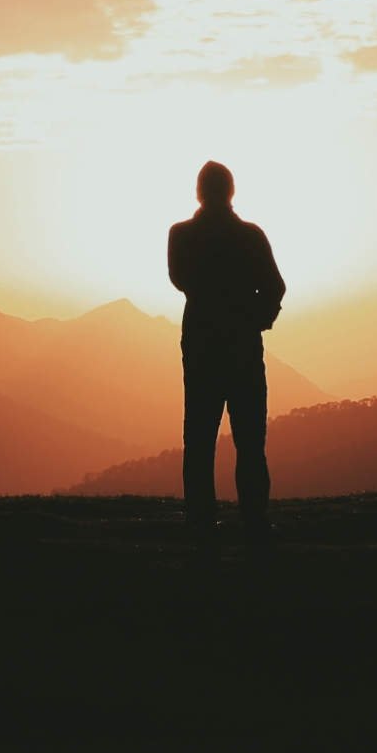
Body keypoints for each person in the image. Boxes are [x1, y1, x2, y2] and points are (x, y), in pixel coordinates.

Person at [167, 161, 286, 543]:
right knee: (250, 440)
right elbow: (275, 287)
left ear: (199, 192)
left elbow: (180, 278)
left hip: (201, 345)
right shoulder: (250, 237)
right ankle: (254, 519)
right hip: (243, 347)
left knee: (199, 438)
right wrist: (257, 318)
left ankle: (200, 522)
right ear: (231, 191)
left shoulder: (182, 235)